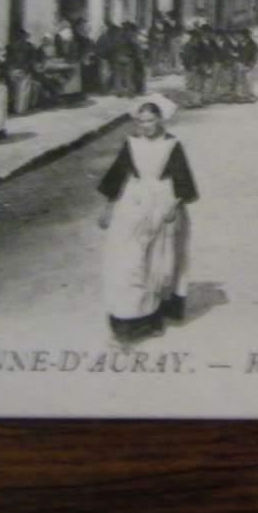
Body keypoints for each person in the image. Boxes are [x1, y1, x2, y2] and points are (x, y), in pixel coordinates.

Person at [97, 97, 200, 342]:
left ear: (160, 119)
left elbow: (182, 180)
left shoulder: (172, 145)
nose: (146, 126)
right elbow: (117, 176)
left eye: (150, 121)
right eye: (141, 121)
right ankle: (125, 318)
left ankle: (151, 317)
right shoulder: (131, 143)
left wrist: (174, 206)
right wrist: (108, 209)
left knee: (158, 263)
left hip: (163, 204)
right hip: (132, 204)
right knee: (128, 259)